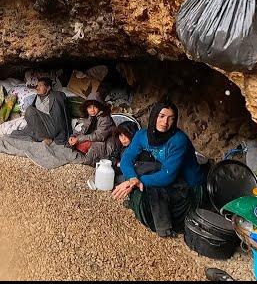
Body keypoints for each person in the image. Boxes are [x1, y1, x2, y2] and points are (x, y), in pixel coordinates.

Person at [111, 100, 205, 238]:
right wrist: (132, 178)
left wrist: (136, 182)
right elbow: (127, 158)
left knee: (152, 184)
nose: (165, 122)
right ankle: (137, 203)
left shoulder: (178, 140)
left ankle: (164, 228)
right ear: (154, 116)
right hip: (170, 173)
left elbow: (167, 176)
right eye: (161, 116)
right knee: (137, 169)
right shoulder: (143, 135)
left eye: (171, 118)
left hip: (189, 186)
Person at [9, 77, 70, 145]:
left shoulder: (56, 96)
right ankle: (39, 139)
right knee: (14, 134)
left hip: (50, 126)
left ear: (48, 88)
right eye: (37, 86)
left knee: (29, 110)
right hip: (39, 128)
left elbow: (59, 118)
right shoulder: (36, 98)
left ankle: (42, 138)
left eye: (40, 85)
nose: (37, 88)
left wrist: (62, 138)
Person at [67, 92, 116, 164]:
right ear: (86, 108)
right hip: (94, 138)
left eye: (95, 107)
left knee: (89, 155)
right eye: (89, 107)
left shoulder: (105, 118)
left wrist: (79, 139)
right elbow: (84, 130)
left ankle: (89, 163)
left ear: (99, 107)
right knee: (72, 144)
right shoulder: (90, 117)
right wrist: (74, 136)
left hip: (106, 143)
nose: (92, 110)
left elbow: (99, 136)